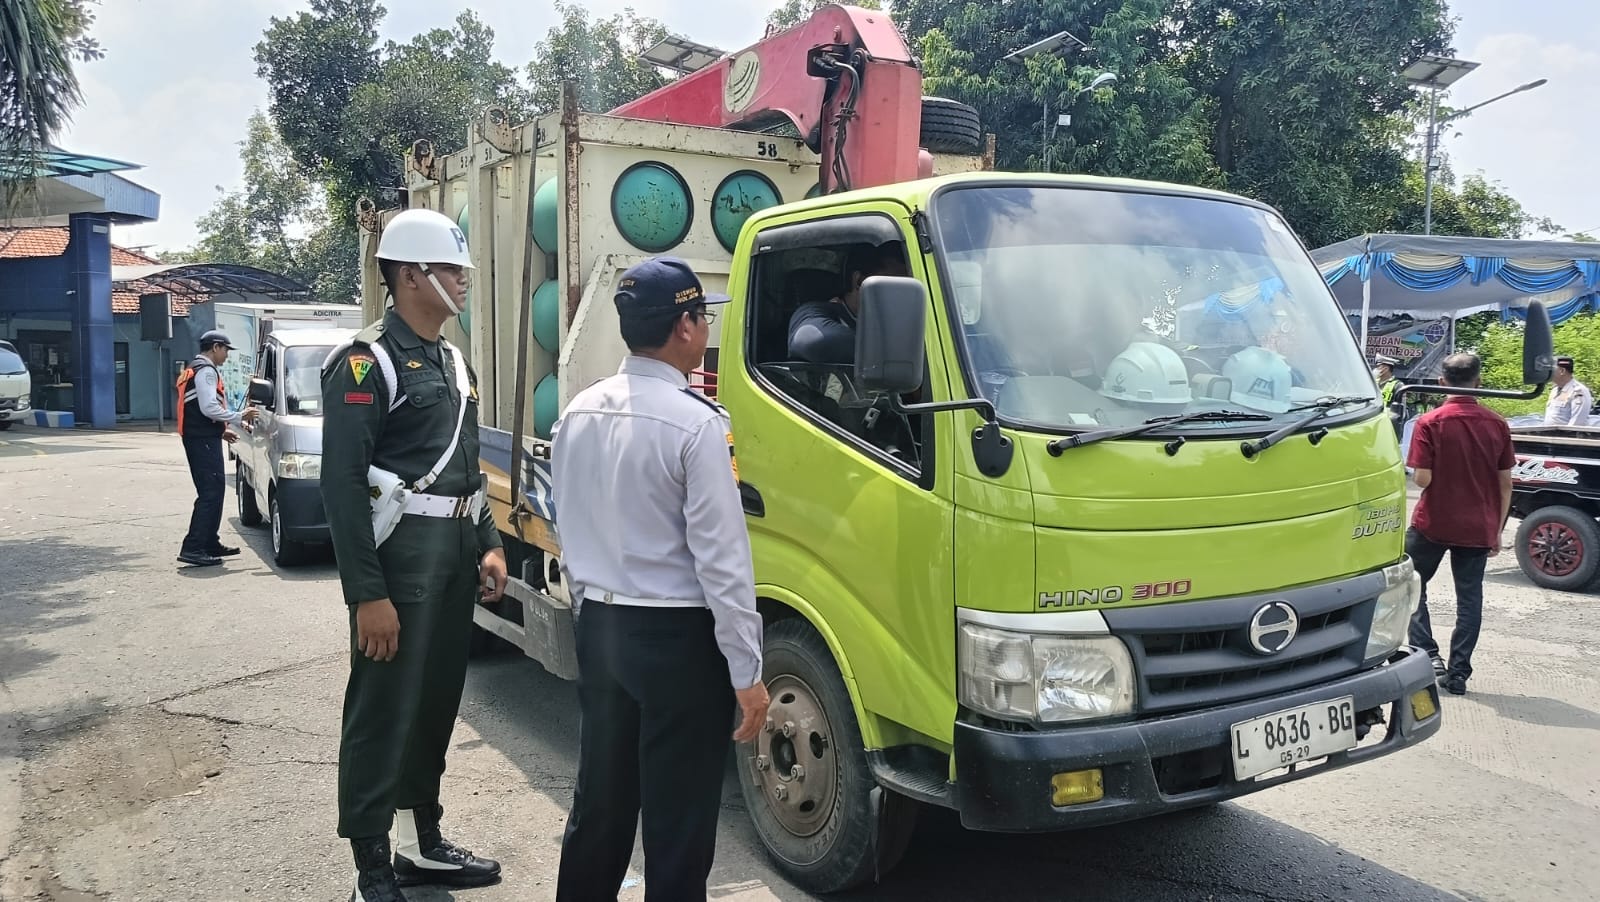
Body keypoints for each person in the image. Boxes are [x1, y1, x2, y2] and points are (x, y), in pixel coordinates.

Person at [551, 256, 770, 902]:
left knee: (601, 809)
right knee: (677, 827)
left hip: (602, 631)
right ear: (685, 327)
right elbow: (723, 562)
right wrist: (747, 672)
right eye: (702, 316)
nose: (705, 328)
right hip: (677, 642)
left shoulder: (578, 413)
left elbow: (569, 521)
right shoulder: (697, 425)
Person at [320, 208, 509, 902]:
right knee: (382, 708)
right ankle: (372, 864)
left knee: (434, 703)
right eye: (451, 269)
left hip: (455, 553)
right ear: (409, 276)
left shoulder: (453, 361)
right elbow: (341, 486)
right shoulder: (364, 363)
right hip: (399, 563)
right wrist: (366, 595)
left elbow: (466, 465)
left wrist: (487, 542)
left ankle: (421, 842)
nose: (462, 280)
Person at [1405, 352, 1514, 697]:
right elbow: (1505, 483)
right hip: (1477, 526)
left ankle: (1429, 656)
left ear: (1442, 383)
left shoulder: (1429, 422)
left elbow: (1422, 479)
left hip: (1433, 523)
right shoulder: (1497, 423)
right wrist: (1496, 528)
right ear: (1479, 383)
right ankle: (1459, 673)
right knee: (1470, 599)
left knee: (1410, 584)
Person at [175, 329, 259, 567]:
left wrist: (221, 431)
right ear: (215, 347)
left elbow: (197, 410)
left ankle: (209, 542)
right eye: (225, 350)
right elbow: (208, 408)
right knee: (210, 493)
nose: (227, 356)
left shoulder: (196, 369)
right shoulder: (207, 372)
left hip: (200, 437)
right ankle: (193, 547)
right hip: (200, 440)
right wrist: (239, 415)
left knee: (215, 490)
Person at [786, 242, 908, 363]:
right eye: (893, 284)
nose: (902, 293)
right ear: (859, 280)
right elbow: (810, 339)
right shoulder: (816, 312)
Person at [1544, 355, 1592, 426]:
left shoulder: (1578, 391)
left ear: (1562, 371)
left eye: (1551, 369)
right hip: (1551, 435)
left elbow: (1576, 423)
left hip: (1567, 436)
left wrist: (1566, 436)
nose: (1548, 372)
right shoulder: (1554, 390)